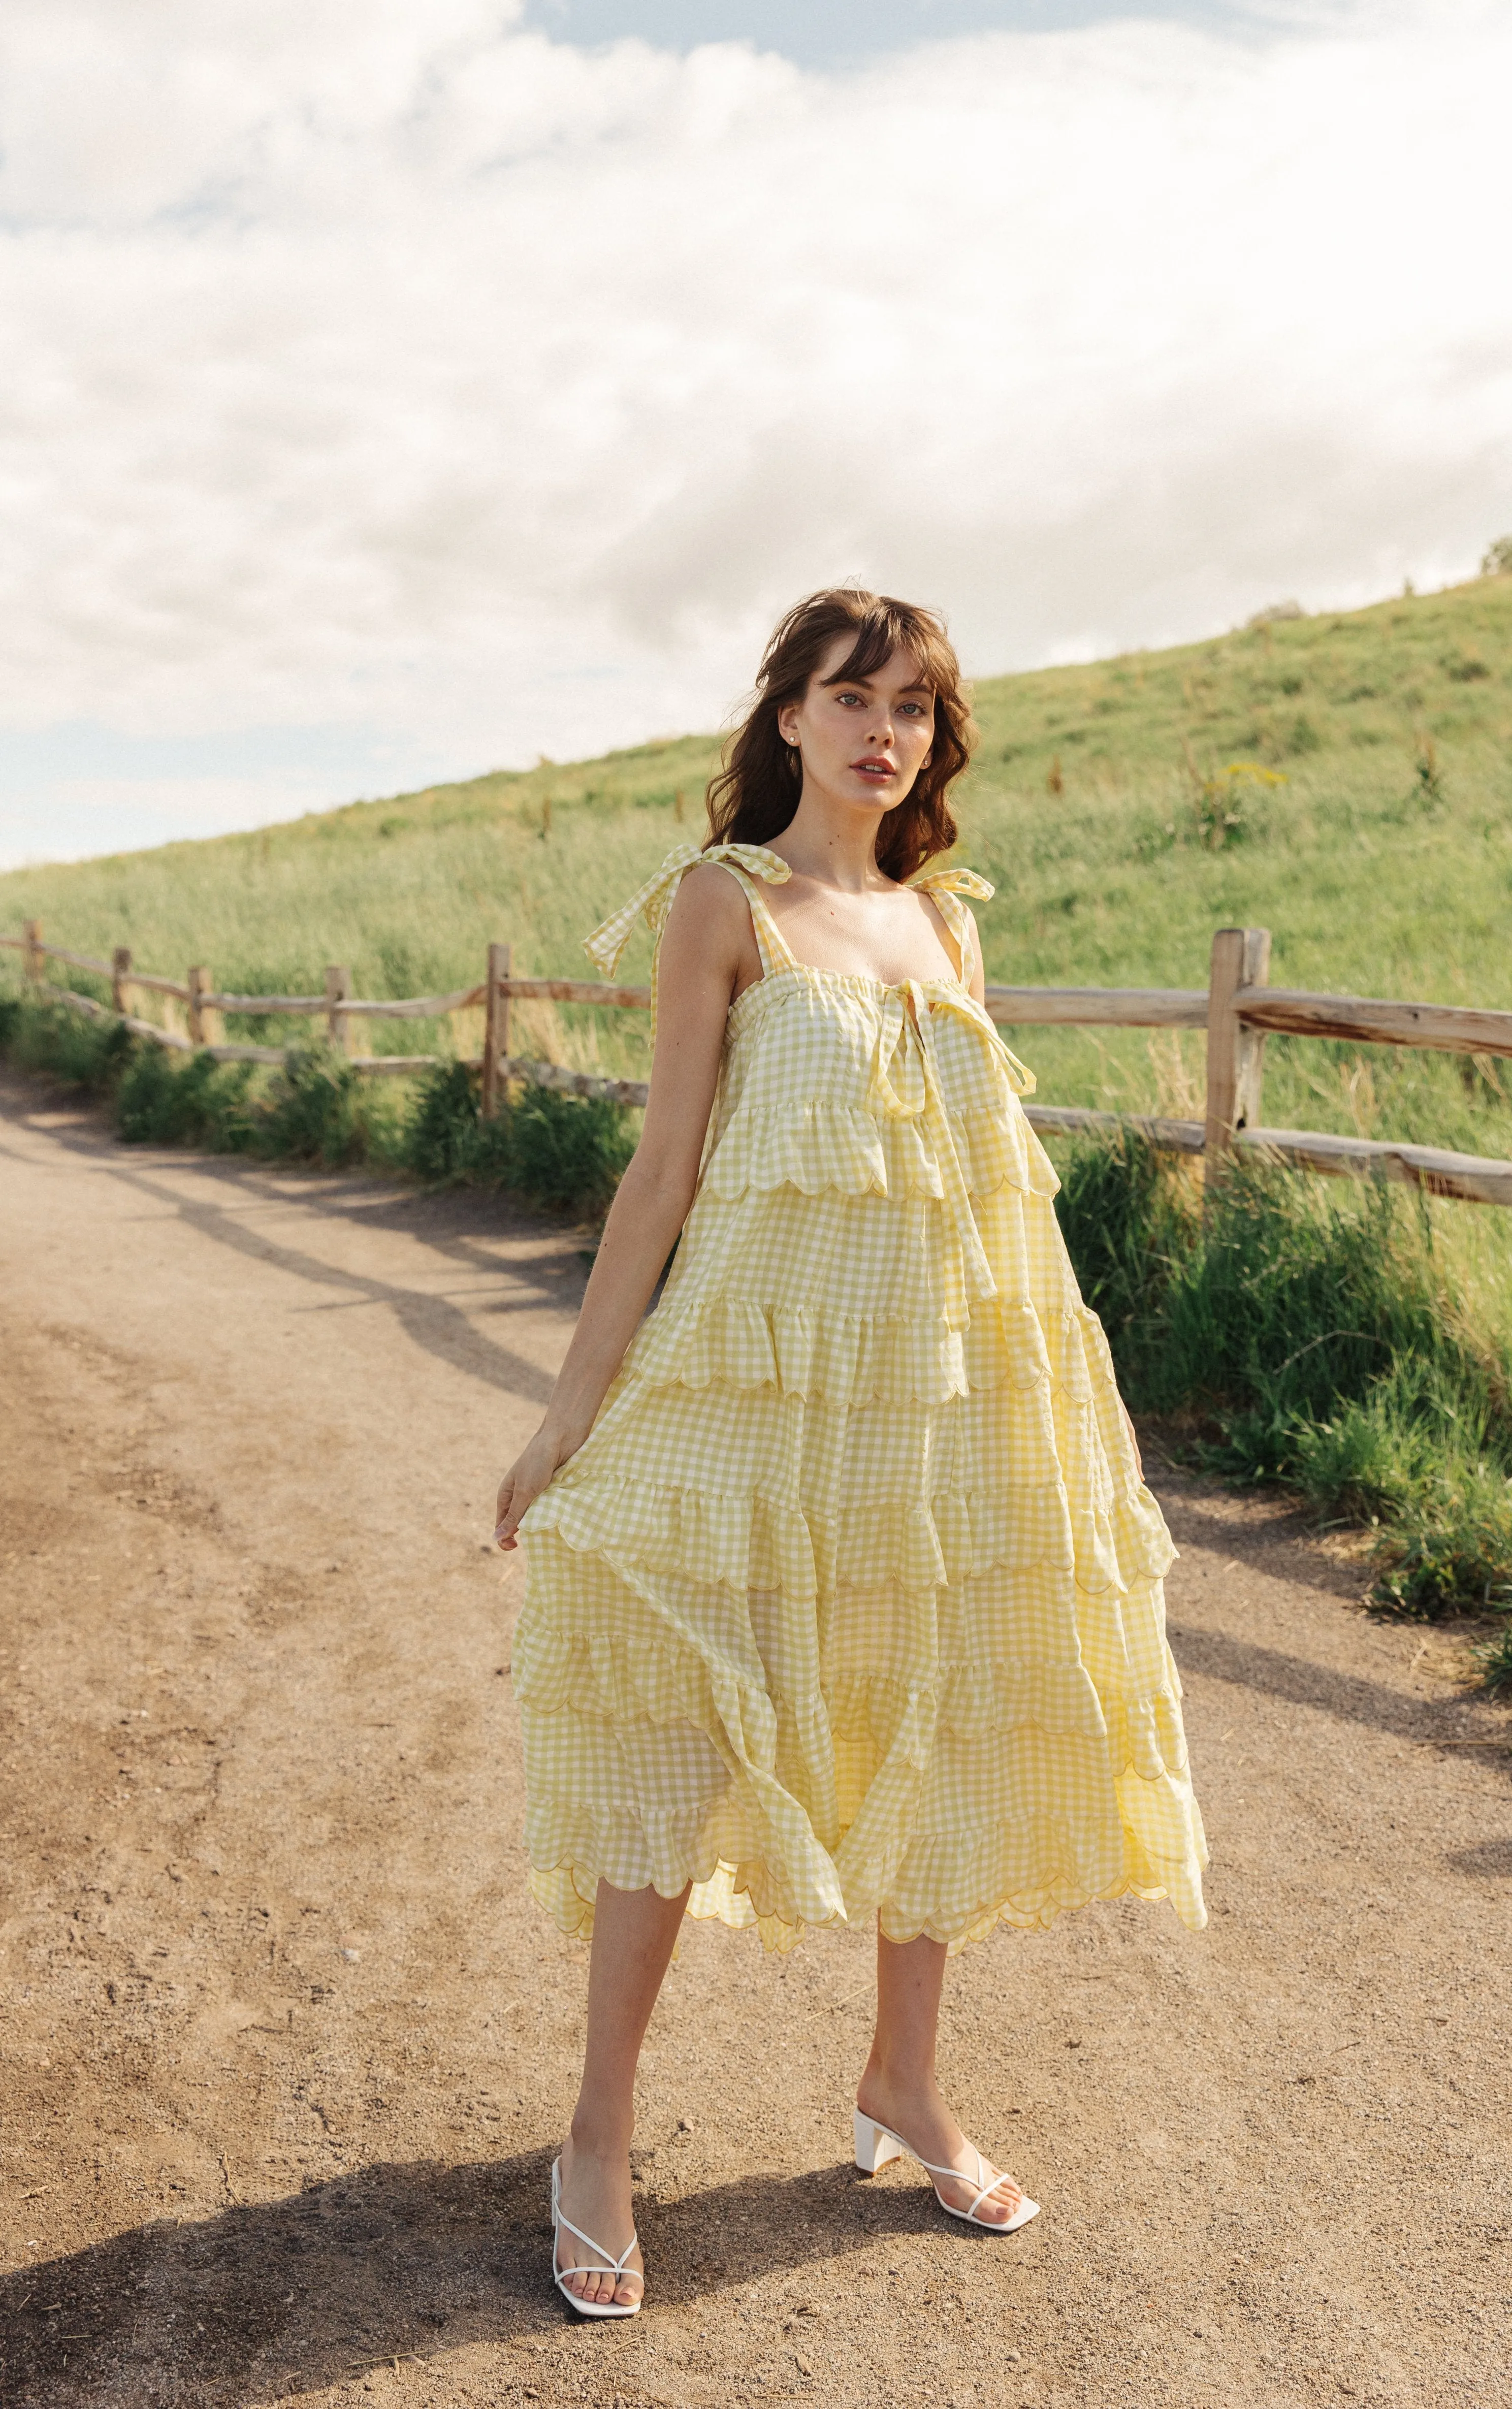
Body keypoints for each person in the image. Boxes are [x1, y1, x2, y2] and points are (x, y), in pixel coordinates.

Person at [494, 588, 1207, 2318]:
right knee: (674, 1727)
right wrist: (571, 1407)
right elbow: (660, 1173)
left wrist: (1039, 1413)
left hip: (934, 1411)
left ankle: (905, 2087)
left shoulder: (944, 926)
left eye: (912, 706)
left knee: (935, 1726)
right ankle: (597, 2133)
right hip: (751, 1395)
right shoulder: (723, 905)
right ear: (790, 719)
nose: (884, 730)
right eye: (850, 697)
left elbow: (981, 1195)